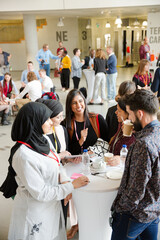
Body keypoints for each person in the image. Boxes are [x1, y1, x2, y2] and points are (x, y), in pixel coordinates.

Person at [0, 101, 89, 240]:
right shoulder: (23, 156)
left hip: (50, 206)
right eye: (46, 119)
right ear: (34, 122)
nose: (51, 122)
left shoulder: (43, 140)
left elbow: (56, 163)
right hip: (35, 212)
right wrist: (71, 186)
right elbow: (40, 193)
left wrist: (64, 179)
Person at [111, 89, 160, 240]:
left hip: (134, 216)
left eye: (130, 114)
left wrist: (118, 210)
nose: (129, 119)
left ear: (139, 114)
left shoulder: (143, 145)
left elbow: (135, 190)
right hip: (154, 211)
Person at [64, 89, 108, 155]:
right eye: (74, 103)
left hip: (96, 161)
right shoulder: (66, 124)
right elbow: (67, 150)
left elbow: (107, 142)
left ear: (84, 102)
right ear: (70, 106)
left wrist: (94, 151)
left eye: (80, 101)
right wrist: (81, 141)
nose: (78, 105)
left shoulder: (97, 119)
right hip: (76, 163)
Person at [107, 98, 135, 166]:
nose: (115, 112)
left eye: (119, 111)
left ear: (128, 113)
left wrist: (122, 159)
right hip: (113, 165)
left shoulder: (134, 130)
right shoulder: (121, 123)